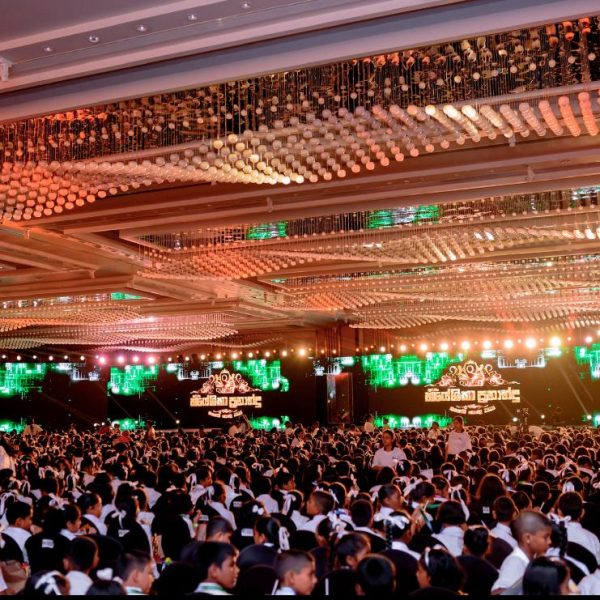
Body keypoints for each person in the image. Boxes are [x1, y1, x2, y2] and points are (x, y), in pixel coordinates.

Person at [491, 510, 552, 593]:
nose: (550, 541)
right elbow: (499, 592)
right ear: (528, 538)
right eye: (545, 537)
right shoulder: (515, 562)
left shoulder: (530, 559)